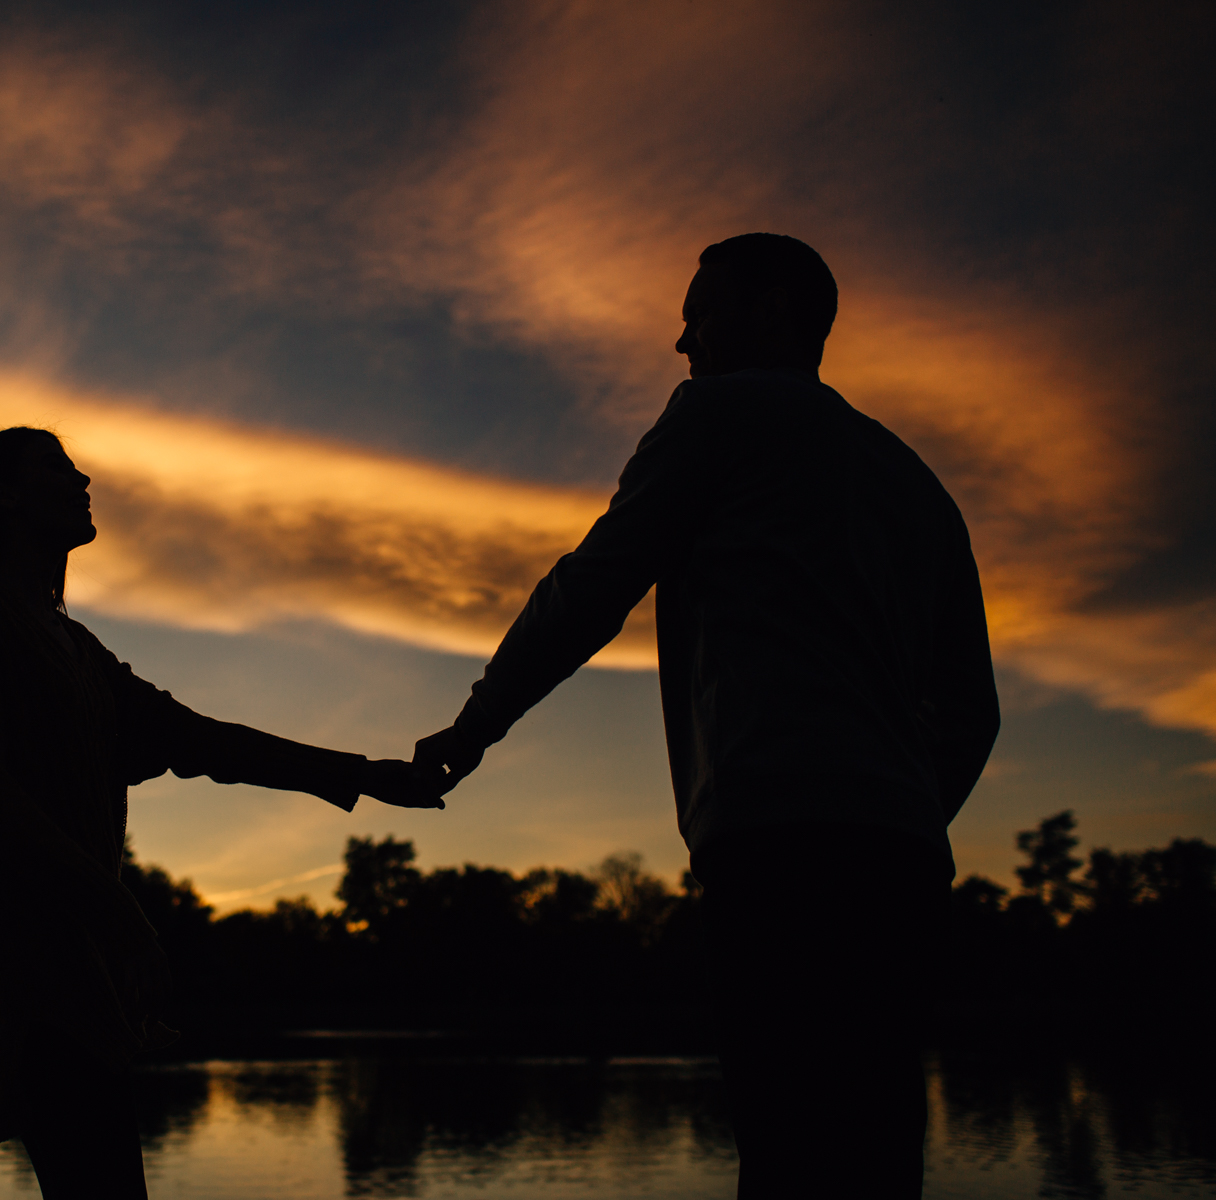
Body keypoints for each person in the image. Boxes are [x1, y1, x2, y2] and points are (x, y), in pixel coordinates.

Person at [413, 233, 1000, 1198]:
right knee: (881, 1143)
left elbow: (593, 587)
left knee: (783, 1136)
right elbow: (972, 709)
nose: (680, 344)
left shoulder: (718, 414)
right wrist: (904, 812)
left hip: (776, 837)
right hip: (901, 854)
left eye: (700, 314)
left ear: (773, 312)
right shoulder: (917, 485)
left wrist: (478, 724)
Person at [0, 426, 441, 1199]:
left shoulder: (71, 645)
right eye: (60, 468)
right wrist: (113, 910)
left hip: (73, 960)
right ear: (4, 495)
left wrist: (361, 774)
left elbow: (194, 738)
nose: (85, 478)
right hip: (15, 963)